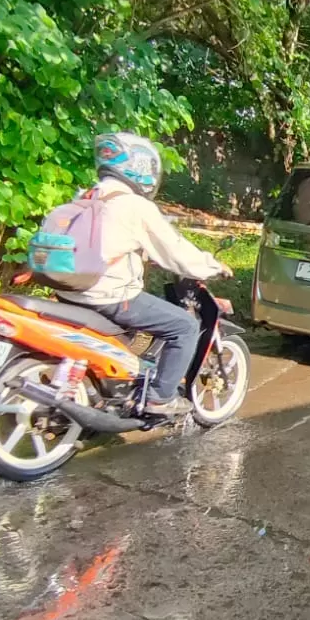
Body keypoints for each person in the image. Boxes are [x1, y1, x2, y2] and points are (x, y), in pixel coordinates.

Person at [58, 132, 234, 418]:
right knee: (185, 327)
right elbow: (175, 250)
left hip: (68, 291)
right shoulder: (134, 205)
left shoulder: (85, 196)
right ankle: (160, 398)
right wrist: (212, 267)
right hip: (108, 296)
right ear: (139, 168)